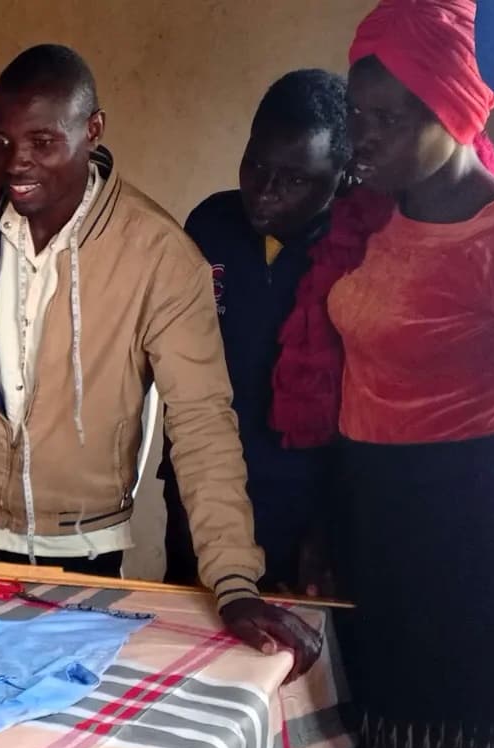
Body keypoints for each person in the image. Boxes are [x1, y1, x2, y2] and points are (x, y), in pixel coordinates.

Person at [0, 44, 320, 678]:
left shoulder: (161, 257)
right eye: (0, 140)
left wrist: (234, 579)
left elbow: (202, 421)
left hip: (83, 549)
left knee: (56, 729)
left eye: (42, 141)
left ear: (92, 130)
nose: (15, 162)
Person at [271, 1, 494, 748]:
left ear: (456, 109)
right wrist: (327, 523)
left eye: (391, 119)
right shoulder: (368, 221)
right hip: (370, 513)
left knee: (455, 743)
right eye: (359, 113)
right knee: (377, 736)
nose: (363, 137)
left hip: (464, 534)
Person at [159, 70, 352, 592]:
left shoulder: (356, 254)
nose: (265, 191)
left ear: (341, 176)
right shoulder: (210, 226)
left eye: (294, 180)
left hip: (305, 505)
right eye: (256, 164)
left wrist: (330, 529)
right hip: (199, 489)